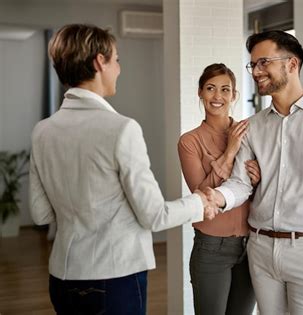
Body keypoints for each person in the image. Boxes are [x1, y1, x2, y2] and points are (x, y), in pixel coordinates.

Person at [28, 24, 218, 315]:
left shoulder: (42, 131)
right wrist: (200, 203)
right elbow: (154, 215)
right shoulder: (121, 129)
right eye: (116, 59)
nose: (118, 68)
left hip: (63, 278)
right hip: (113, 280)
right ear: (99, 62)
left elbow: (41, 213)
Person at [206, 30, 303, 314]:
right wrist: (218, 197)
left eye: (264, 62)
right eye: (253, 65)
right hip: (261, 248)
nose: (256, 71)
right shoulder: (252, 126)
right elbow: (241, 183)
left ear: (292, 64)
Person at [178, 63, 259, 315]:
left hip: (253, 244)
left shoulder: (251, 132)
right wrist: (230, 150)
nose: (217, 96)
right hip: (212, 247)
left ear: (234, 95)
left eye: (225, 89)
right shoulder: (189, 141)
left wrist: (260, 179)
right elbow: (201, 198)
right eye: (211, 88)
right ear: (200, 92)